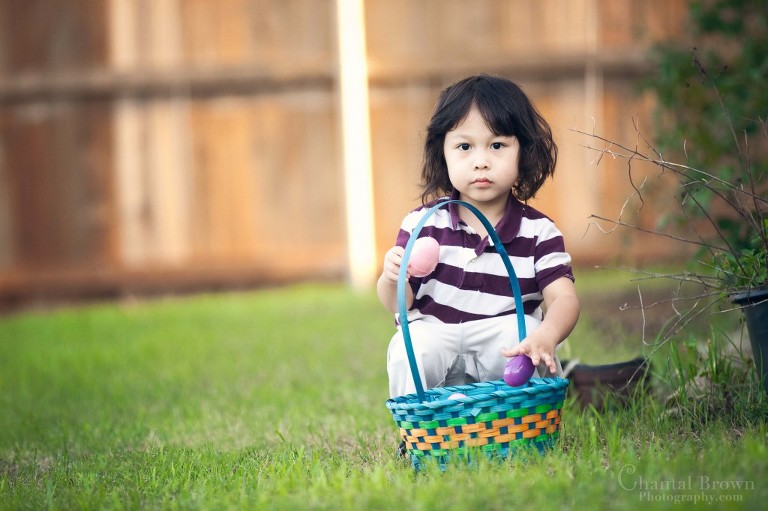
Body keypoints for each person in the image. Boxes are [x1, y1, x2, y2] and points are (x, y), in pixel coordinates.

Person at [378, 74, 580, 399]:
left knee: (525, 331)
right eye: (464, 147)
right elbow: (399, 303)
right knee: (410, 345)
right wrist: (391, 278)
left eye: (497, 145)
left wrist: (548, 334)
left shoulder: (538, 232)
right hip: (436, 332)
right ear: (442, 153)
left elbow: (563, 298)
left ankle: (515, 423)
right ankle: (420, 430)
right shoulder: (422, 223)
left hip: (498, 352)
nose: (481, 161)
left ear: (523, 152)